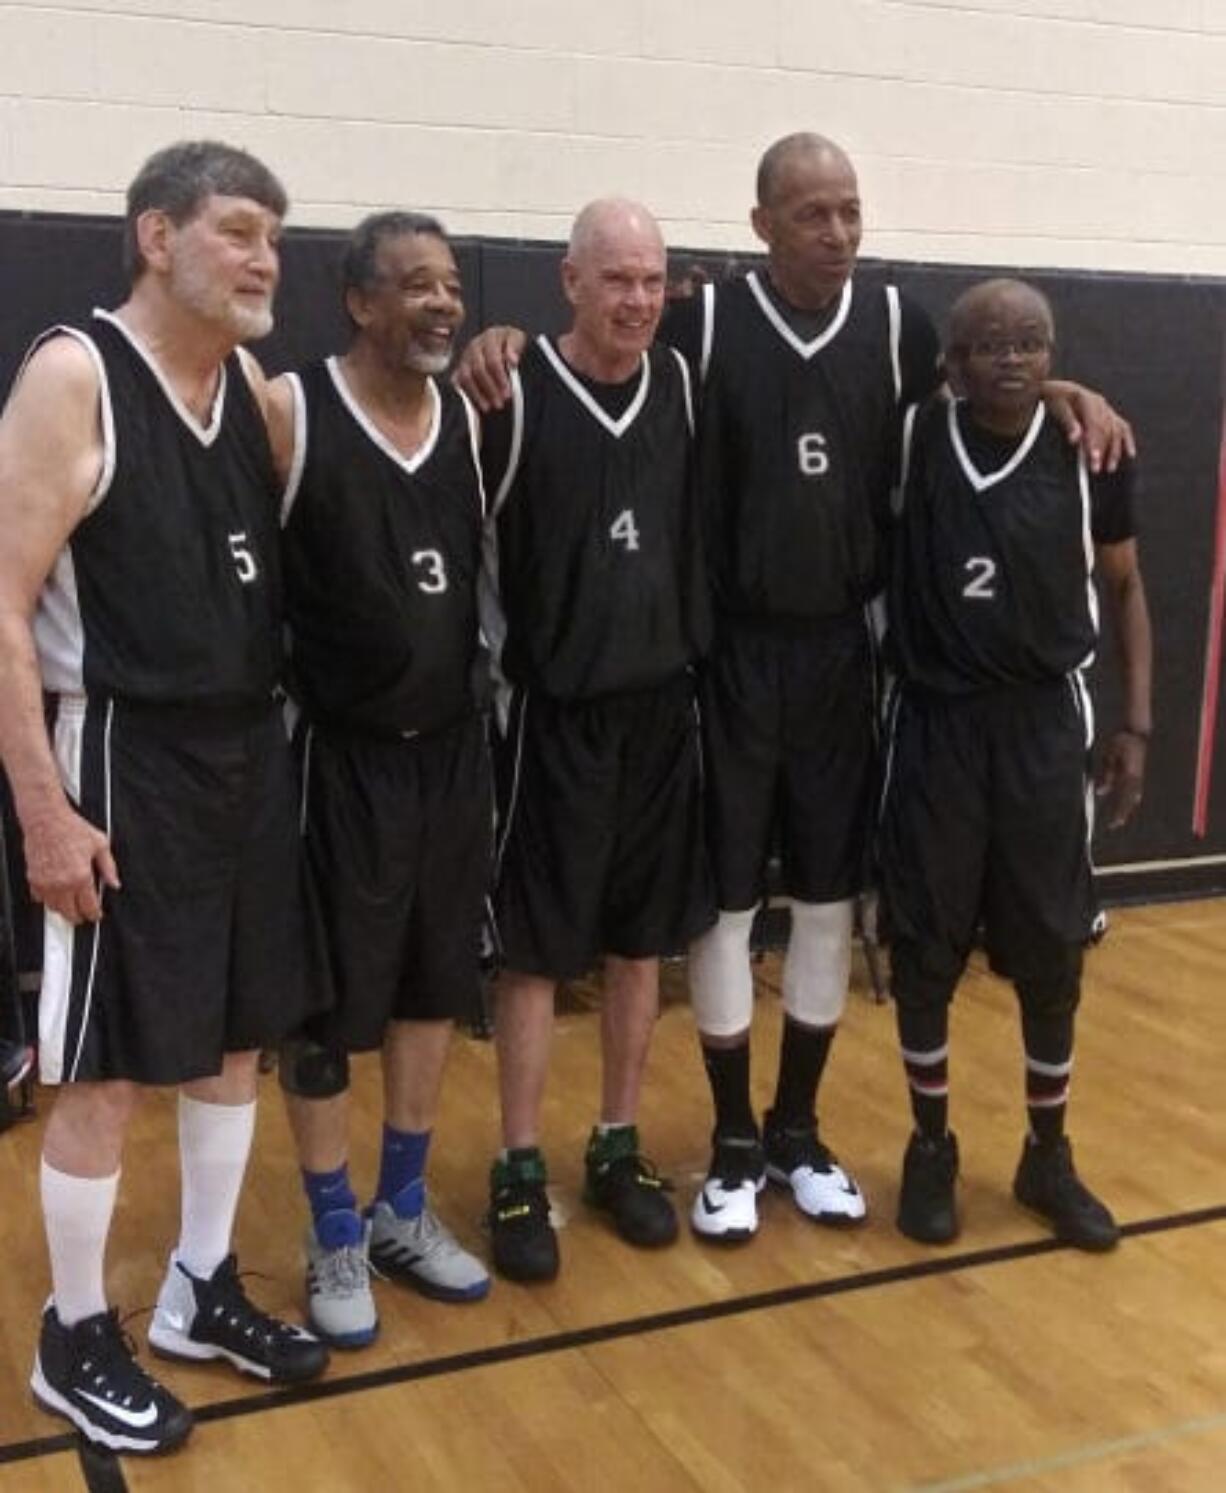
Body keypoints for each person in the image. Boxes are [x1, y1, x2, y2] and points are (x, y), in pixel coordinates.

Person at [459, 132, 1129, 1248]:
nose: (835, 229)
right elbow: (587, 351)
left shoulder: (898, 326)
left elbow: (983, 388)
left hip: (844, 659)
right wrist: (496, 338)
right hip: (723, 660)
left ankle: (796, 1127)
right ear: (762, 222)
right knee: (720, 903)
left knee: (825, 895)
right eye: (810, 211)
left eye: (849, 209)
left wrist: (1061, 385)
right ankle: (728, 1138)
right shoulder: (703, 325)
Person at [0, 140, 329, 1457]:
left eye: (275, 241)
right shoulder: (73, 373)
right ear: (155, 236)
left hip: (243, 754)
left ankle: (198, 1287)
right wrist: (42, 812)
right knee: (107, 1066)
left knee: (233, 1040)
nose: (264, 260)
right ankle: (74, 1335)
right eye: (239, 231)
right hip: (119, 755)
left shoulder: (246, 385)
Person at [880, 278, 1151, 1250]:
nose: (1012, 357)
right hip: (939, 724)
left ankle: (1046, 1152)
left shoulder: (1088, 448)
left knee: (1049, 952)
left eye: (1032, 342)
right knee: (924, 949)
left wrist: (1135, 728)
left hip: (1043, 728)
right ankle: (929, 1147)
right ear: (952, 358)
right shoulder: (912, 437)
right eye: (989, 342)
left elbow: (1122, 589)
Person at [267, 212, 491, 1348]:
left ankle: (399, 1204)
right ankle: (329, 1225)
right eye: (413, 285)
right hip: (334, 761)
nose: (439, 304)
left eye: (449, 285)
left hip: (450, 756)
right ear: (358, 302)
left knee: (428, 988)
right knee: (321, 1008)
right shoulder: (289, 409)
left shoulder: (468, 416)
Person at [480, 198, 714, 1282]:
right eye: (614, 278)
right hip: (553, 716)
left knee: (638, 944)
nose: (635, 299)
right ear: (568, 281)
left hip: (660, 709)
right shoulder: (511, 390)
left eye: (651, 279)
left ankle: (616, 1142)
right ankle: (518, 1161)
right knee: (533, 951)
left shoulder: (678, 381)